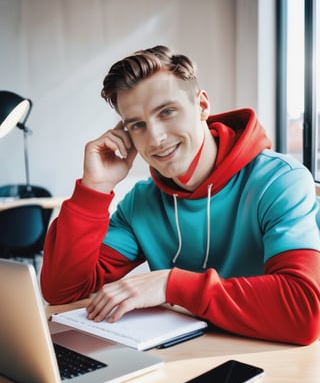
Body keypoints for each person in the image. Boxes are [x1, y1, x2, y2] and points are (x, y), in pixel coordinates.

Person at [41, 45, 320, 345]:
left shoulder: (279, 181)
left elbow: (303, 311)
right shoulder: (141, 203)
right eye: (137, 125)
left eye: (167, 112)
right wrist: (94, 188)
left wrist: (170, 284)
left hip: (267, 366)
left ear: (202, 105)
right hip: (177, 364)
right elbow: (63, 290)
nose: (156, 138)